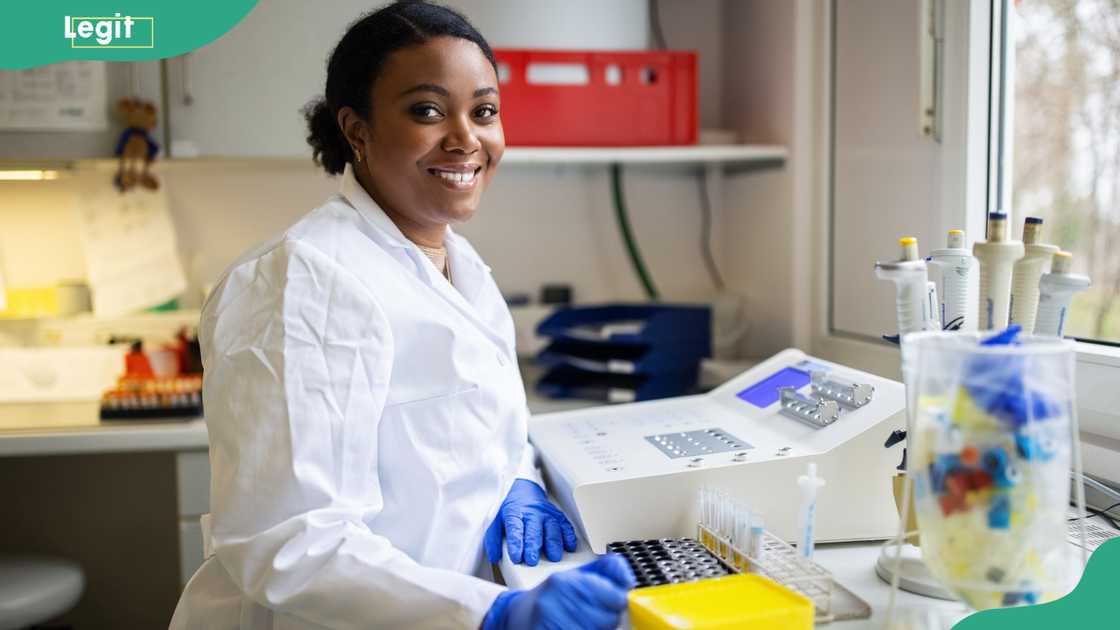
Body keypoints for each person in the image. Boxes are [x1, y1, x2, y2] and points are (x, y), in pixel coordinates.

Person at [168, 2, 636, 629]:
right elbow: (289, 541)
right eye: (428, 110)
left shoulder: (458, 267)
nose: (467, 138)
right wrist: (492, 613)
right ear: (356, 130)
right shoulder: (303, 280)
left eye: (485, 110)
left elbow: (475, 428)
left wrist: (516, 479)